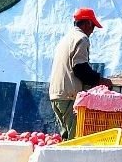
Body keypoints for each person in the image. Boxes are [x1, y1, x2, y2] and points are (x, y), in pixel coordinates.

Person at [48, 7, 113, 140]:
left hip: (56, 95)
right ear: (88, 23)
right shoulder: (82, 38)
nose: (92, 31)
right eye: (93, 26)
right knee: (74, 141)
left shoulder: (66, 39)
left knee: (65, 139)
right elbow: (80, 69)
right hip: (69, 96)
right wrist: (100, 81)